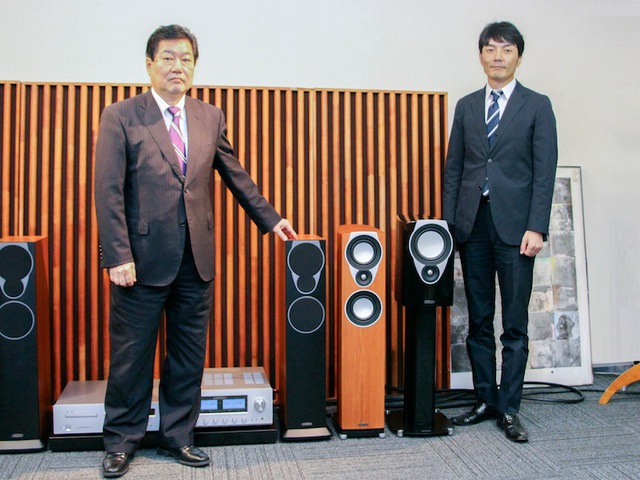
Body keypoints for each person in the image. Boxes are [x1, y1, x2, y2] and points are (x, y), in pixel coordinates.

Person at [94, 24, 297, 478]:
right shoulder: (121, 116)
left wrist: (271, 218)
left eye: (186, 59)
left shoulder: (209, 116)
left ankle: (178, 436)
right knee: (131, 357)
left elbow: (235, 174)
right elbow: (107, 191)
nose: (177, 67)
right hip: (139, 261)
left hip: (196, 259)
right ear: (149, 65)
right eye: (168, 58)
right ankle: (121, 441)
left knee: (187, 356)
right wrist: (117, 255)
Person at [443, 21, 557, 443]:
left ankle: (509, 409)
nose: (497, 57)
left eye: (506, 50)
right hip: (472, 225)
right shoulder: (467, 106)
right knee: (478, 320)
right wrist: (451, 224)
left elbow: (544, 172)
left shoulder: (537, 105)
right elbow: (454, 169)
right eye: (490, 49)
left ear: (518, 57)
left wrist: (537, 227)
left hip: (516, 229)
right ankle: (485, 400)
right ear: (481, 56)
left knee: (514, 324)